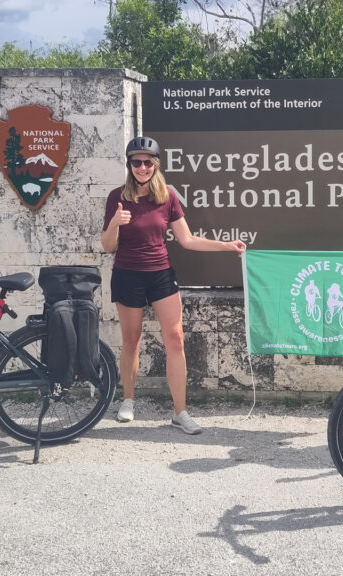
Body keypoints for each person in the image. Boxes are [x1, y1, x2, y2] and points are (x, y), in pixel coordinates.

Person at [101, 136, 246, 435]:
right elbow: (107, 247)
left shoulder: (166, 197)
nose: (142, 167)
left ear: (155, 164)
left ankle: (180, 412)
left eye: (147, 162)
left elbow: (188, 240)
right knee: (131, 341)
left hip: (161, 275)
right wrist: (115, 222)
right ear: (129, 165)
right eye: (136, 162)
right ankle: (127, 400)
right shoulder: (117, 197)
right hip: (128, 274)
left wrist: (227, 246)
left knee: (175, 340)